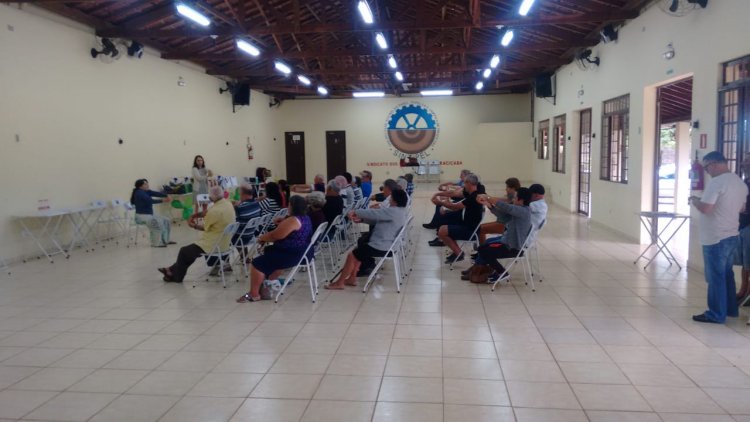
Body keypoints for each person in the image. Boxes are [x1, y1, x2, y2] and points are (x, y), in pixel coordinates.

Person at [689, 151, 748, 324]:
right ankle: (730, 310)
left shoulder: (717, 182)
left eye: (706, 167)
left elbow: (706, 208)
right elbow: (742, 208)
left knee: (715, 277)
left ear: (714, 164)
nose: (707, 171)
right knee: (726, 274)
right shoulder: (739, 182)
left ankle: (715, 314)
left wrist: (694, 200)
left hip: (715, 237)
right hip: (731, 234)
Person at [326, 189, 409, 289]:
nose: (389, 199)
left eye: (391, 198)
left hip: (382, 247)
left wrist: (355, 212)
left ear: (395, 200)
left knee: (352, 255)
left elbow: (374, 213)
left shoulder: (393, 211)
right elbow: (379, 220)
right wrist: (362, 219)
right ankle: (352, 278)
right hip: (390, 246)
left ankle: (340, 283)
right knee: (359, 251)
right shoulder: (400, 211)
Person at [236, 196, 313, 302]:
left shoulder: (293, 220)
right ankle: (268, 284)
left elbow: (275, 236)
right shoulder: (305, 218)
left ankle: (254, 294)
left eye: (289, 205)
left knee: (257, 263)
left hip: (292, 254)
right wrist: (284, 222)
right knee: (271, 253)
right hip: (304, 252)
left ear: (292, 206)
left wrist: (262, 238)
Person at [158, 186, 235, 283]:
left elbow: (204, 227)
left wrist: (193, 225)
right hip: (225, 243)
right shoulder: (227, 204)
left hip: (213, 244)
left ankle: (177, 277)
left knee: (184, 251)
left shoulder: (215, 211)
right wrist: (194, 215)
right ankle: (170, 270)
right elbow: (207, 211)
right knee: (190, 253)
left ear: (211, 197)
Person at [474, 187, 534, 283]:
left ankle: (501, 272)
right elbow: (503, 216)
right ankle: (488, 270)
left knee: (483, 250)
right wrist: (488, 205)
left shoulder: (523, 211)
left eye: (515, 197)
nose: (513, 199)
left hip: (513, 248)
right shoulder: (519, 211)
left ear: (521, 200)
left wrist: (488, 197)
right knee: (483, 247)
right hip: (508, 244)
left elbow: (507, 207)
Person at [434, 174, 485, 263]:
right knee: (445, 225)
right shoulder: (474, 193)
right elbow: (455, 196)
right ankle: (457, 252)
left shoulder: (473, 197)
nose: (463, 185)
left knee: (442, 231)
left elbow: (455, 207)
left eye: (464, 183)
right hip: (468, 225)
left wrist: (440, 202)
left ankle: (458, 253)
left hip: (470, 230)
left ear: (469, 183)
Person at [130, 179, 174, 247]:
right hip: (141, 217)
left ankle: (165, 240)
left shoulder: (146, 191)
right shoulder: (139, 193)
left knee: (166, 220)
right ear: (140, 186)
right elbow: (150, 201)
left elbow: (156, 193)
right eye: (145, 184)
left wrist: (166, 195)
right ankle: (156, 243)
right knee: (156, 222)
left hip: (149, 215)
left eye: (147, 183)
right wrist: (163, 200)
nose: (147, 185)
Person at [478, 177, 521, 244]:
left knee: (480, 229)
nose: (506, 189)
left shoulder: (514, 200)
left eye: (507, 187)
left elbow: (500, 214)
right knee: (480, 228)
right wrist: (488, 202)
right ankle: (482, 247)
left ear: (513, 188)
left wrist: (489, 202)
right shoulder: (512, 198)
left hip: (505, 225)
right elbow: (499, 201)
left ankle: (482, 248)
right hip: (503, 222)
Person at [736, 154, 750, 303]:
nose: (743, 164)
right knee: (745, 262)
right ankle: (743, 289)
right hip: (743, 225)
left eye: (747, 161)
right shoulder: (745, 182)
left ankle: (746, 292)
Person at [231, 184, 261, 249]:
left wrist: (235, 206)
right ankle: (244, 255)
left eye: (240, 194)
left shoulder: (240, 208)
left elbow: (232, 220)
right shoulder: (257, 204)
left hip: (240, 239)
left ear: (243, 194)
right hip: (252, 235)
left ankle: (242, 255)